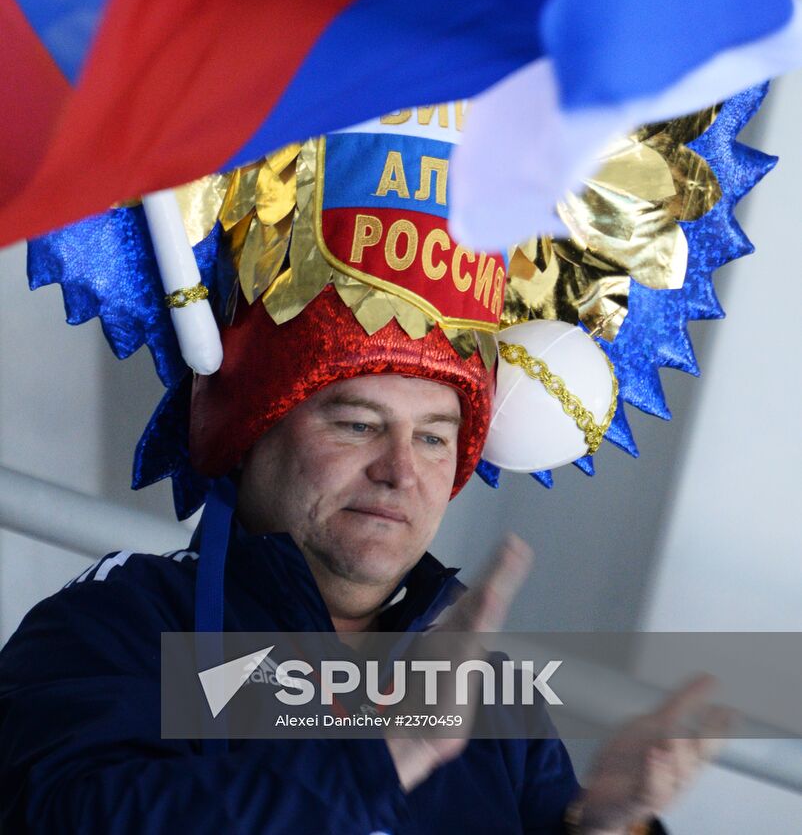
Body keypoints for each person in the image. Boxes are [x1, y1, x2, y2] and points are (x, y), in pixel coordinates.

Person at [0, 283, 726, 834]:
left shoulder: (492, 698)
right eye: (356, 424)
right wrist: (377, 761)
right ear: (252, 433)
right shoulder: (117, 621)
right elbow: (65, 816)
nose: (400, 471)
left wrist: (603, 824)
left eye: (435, 437)